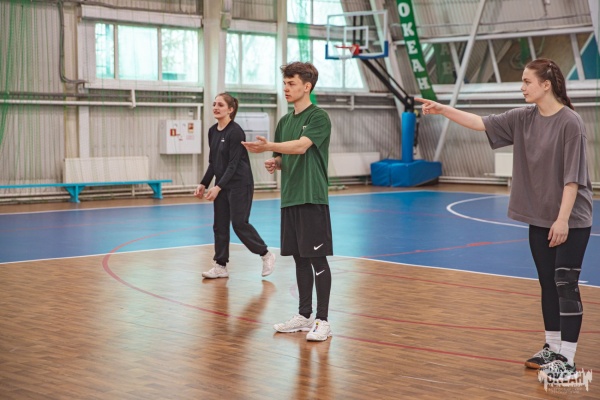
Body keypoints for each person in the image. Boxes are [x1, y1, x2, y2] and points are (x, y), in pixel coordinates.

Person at [417, 58, 592, 383]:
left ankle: (567, 360)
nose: (522, 87)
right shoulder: (522, 118)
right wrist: (443, 110)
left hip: (570, 219)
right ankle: (552, 348)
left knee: (565, 284)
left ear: (546, 85)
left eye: (527, 81)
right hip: (539, 217)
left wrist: (562, 220)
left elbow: (573, 179)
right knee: (547, 283)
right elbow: (479, 122)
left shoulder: (571, 123)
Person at [242, 62, 333, 342]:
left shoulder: (319, 117)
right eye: (284, 83)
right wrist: (276, 162)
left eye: (291, 83)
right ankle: (304, 315)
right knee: (299, 258)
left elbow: (302, 146)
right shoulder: (284, 122)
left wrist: (269, 147)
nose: (286, 88)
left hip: (312, 196)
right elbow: (286, 155)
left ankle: (323, 321)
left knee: (317, 258)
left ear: (307, 86)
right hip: (290, 198)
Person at [194, 92, 276, 279]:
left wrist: (218, 187)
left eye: (220, 105)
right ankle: (220, 266)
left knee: (239, 223)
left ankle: (266, 254)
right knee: (220, 225)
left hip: (240, 183)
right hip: (222, 184)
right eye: (214, 104)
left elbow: (233, 164)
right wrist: (204, 183)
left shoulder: (236, 131)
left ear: (230, 109)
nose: (216, 107)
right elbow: (213, 162)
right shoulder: (212, 131)